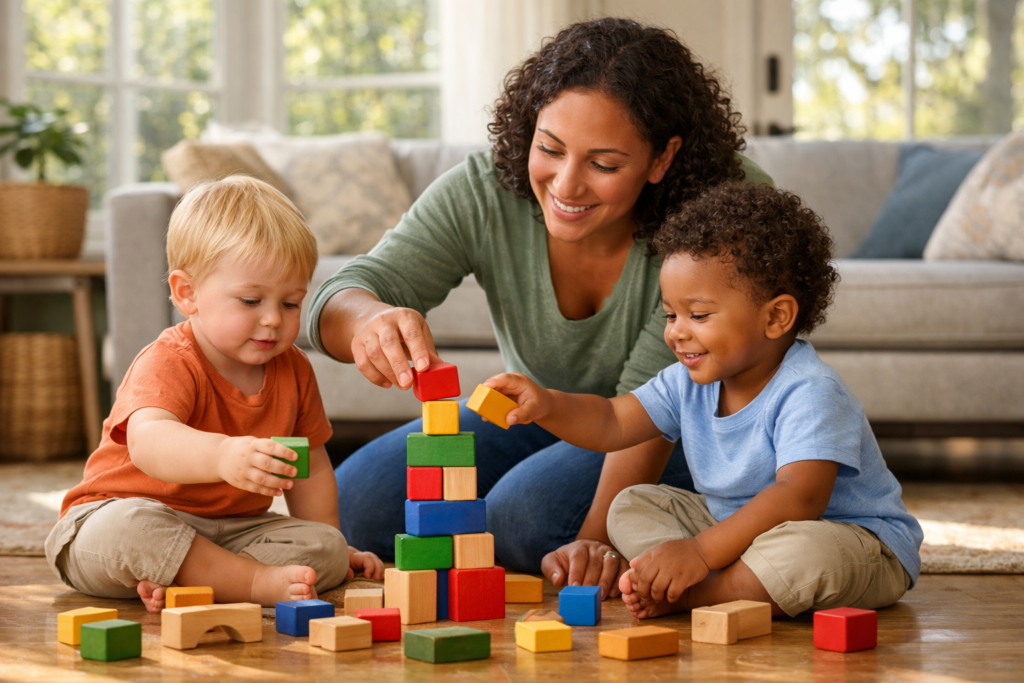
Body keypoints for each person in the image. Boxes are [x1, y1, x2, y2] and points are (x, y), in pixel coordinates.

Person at [310, 18, 774, 599]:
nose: (566, 185)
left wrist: (597, 541)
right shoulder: (484, 190)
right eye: (550, 149)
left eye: (604, 164)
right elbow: (342, 294)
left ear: (662, 159)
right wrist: (367, 320)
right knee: (352, 506)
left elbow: (655, 408)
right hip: (545, 413)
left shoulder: (723, 209)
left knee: (522, 517)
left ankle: (736, 514)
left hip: (686, 433)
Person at [484, 183, 923, 618]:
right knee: (631, 504)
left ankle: (696, 593)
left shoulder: (810, 389)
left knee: (805, 551)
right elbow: (612, 422)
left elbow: (800, 499)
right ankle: (697, 578)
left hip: (850, 540)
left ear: (776, 317)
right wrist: (548, 404)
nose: (676, 332)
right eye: (670, 314)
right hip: (735, 534)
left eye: (698, 315)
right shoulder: (687, 382)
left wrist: (698, 551)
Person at [45, 176, 384, 612]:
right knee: (129, 527)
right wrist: (223, 455)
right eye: (250, 301)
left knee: (326, 549)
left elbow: (311, 467)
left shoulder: (295, 370)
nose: (273, 320)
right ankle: (247, 581)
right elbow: (149, 442)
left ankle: (195, 581)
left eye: (290, 303)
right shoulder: (170, 359)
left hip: (233, 530)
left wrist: (336, 540)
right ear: (187, 293)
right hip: (123, 518)